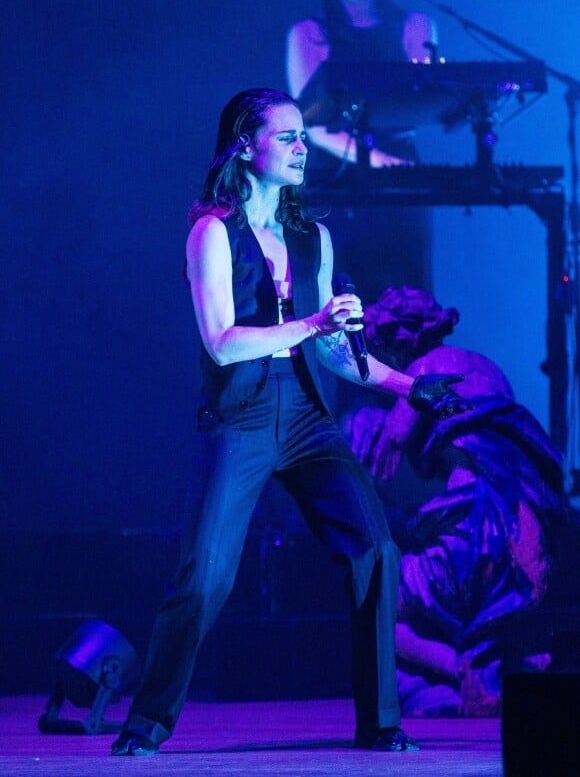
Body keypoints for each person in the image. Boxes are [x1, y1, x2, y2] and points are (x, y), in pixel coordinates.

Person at [111, 88, 468, 757]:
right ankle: (145, 724)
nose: (304, 148)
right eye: (289, 137)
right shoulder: (212, 231)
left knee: (374, 549)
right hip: (240, 413)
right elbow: (222, 341)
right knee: (207, 575)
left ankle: (381, 722)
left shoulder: (312, 238)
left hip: (306, 415)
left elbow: (335, 352)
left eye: (305, 136)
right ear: (247, 145)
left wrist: (410, 386)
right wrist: (309, 322)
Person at [344, 285, 568, 716]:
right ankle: (502, 671)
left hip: (472, 527)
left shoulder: (424, 373)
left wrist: (360, 433)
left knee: (382, 604)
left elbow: (390, 449)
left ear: (397, 340)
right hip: (525, 527)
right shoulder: (487, 368)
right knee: (480, 615)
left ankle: (461, 673)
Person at [286, 0, 438, 172]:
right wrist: (380, 162)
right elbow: (311, 124)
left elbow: (420, 104)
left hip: (403, 163)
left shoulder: (416, 25)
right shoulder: (307, 34)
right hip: (335, 173)